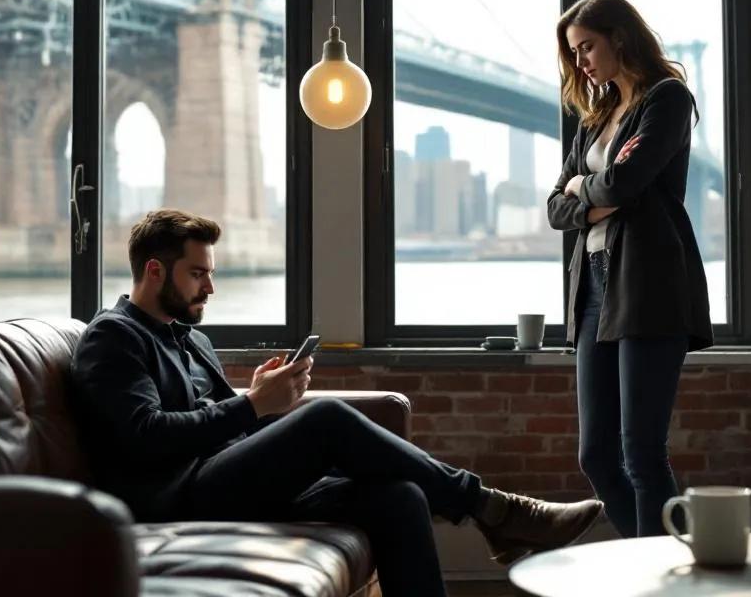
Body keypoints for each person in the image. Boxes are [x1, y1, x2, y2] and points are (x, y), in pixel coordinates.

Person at [70, 209, 603, 597]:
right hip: (174, 499)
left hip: (221, 477)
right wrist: (253, 406)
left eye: (211, 273)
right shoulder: (113, 337)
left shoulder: (188, 337)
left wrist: (260, 400)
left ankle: (496, 516)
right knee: (325, 418)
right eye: (198, 274)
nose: (210, 287)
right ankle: (497, 511)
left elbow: (212, 420)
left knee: (397, 496)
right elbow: (146, 436)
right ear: (155, 272)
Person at [546, 0, 714, 539]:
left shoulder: (667, 99)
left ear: (619, 36)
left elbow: (624, 182)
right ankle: (670, 557)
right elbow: (555, 208)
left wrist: (585, 189)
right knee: (596, 456)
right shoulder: (595, 119)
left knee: (641, 450)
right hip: (592, 290)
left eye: (587, 46)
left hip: (648, 283)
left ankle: (657, 574)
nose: (581, 62)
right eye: (574, 53)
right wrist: (589, 193)